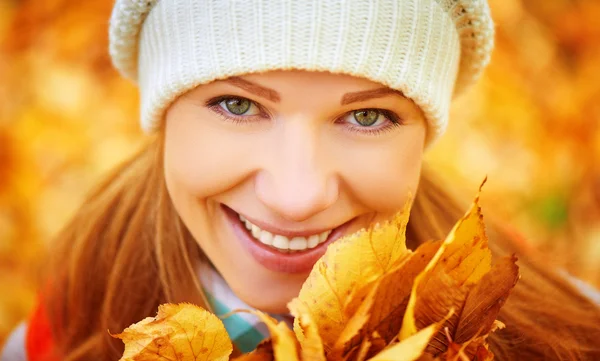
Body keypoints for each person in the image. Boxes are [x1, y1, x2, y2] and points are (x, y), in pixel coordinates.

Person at [2, 0, 600, 360]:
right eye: (237, 106)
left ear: (423, 134)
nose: (295, 196)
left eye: (366, 116)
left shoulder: (563, 335)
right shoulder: (59, 339)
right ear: (163, 117)